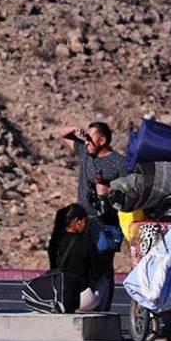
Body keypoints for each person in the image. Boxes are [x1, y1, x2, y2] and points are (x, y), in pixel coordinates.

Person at [59, 121, 127, 311]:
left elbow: (130, 191)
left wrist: (110, 191)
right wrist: (74, 130)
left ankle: (103, 308)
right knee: (80, 263)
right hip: (82, 222)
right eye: (86, 138)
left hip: (105, 223)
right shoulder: (85, 153)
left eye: (90, 138)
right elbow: (63, 133)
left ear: (102, 139)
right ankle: (81, 304)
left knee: (103, 266)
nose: (86, 141)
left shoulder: (119, 163)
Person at [48, 203, 107, 312]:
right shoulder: (86, 242)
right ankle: (102, 312)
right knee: (105, 279)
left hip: (58, 295)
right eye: (85, 221)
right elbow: (97, 272)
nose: (86, 225)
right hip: (80, 299)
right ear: (77, 221)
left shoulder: (55, 242)